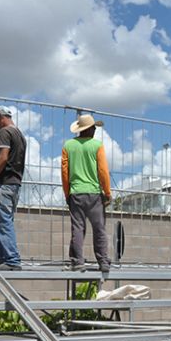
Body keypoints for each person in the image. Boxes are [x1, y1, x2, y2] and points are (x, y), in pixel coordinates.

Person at [62, 114, 112, 272]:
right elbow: (103, 171)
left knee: (77, 228)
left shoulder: (68, 146)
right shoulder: (97, 145)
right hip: (95, 193)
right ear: (89, 129)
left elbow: (65, 173)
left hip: (76, 193)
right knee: (99, 228)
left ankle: (77, 262)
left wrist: (67, 193)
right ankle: (103, 262)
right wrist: (107, 192)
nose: (96, 130)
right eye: (94, 128)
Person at [0, 106, 26, 271]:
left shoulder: (5, 132)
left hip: (5, 183)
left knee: (3, 221)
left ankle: (12, 260)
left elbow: (3, 158)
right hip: (15, 183)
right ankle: (1, 258)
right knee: (3, 221)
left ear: (1, 117)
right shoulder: (20, 135)